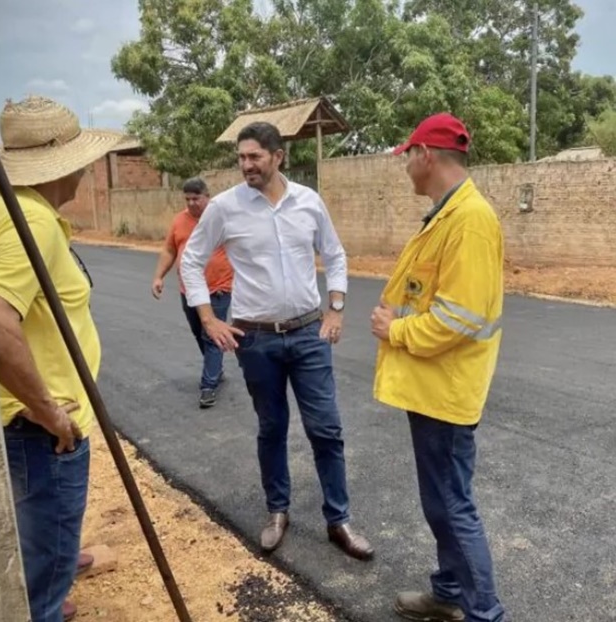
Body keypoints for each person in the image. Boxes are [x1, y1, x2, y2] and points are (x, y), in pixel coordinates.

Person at [179, 121, 373, 561]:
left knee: (327, 429)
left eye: (254, 157)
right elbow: (191, 261)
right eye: (241, 157)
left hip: (308, 334)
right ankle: (277, 512)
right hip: (256, 340)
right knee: (272, 428)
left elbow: (335, 253)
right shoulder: (225, 207)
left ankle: (338, 520)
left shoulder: (308, 202)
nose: (245, 164)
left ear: (277, 156)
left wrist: (337, 307)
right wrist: (209, 317)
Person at [0, 95, 122, 622]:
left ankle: (52, 570)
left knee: (41, 530)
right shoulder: (26, 222)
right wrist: (49, 410)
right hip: (43, 429)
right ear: (68, 164)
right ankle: (44, 601)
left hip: (26, 422)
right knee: (44, 562)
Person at [370, 113, 507, 622]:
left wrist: (395, 329)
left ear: (426, 154)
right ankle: (449, 594)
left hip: (446, 393)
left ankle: (483, 614)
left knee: (452, 506)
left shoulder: (469, 221)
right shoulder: (448, 214)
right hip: (432, 387)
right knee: (442, 504)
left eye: (408, 155)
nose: (405, 166)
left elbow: (459, 318)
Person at [151, 176, 234, 408]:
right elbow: (169, 250)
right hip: (188, 290)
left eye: (196, 198)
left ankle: (208, 386)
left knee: (212, 335)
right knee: (200, 333)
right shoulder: (179, 221)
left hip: (218, 288)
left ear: (207, 196)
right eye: (187, 199)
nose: (191, 203)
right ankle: (215, 368)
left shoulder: (220, 218)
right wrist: (158, 276)